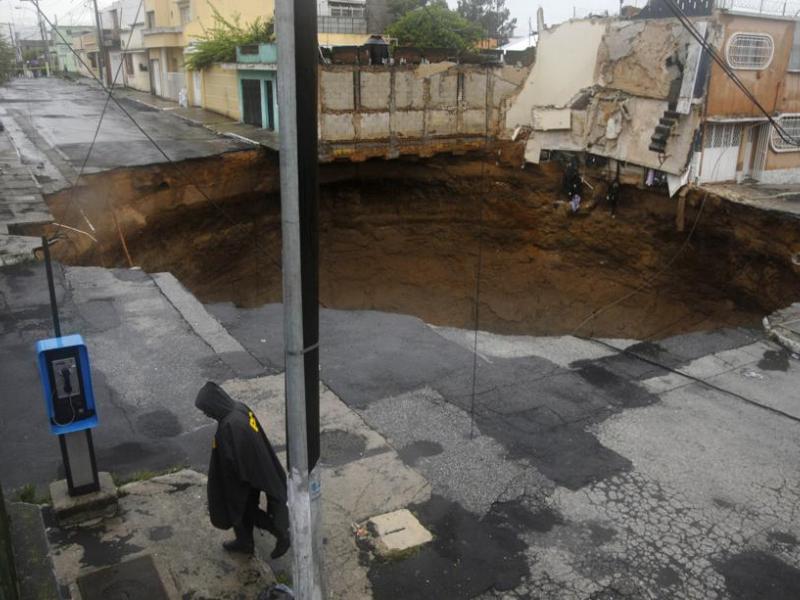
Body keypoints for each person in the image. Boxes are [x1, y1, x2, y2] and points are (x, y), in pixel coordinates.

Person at [195, 381, 291, 558]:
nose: (206, 413)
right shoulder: (239, 408)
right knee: (244, 511)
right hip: (253, 471)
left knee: (244, 510)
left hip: (244, 477)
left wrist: (228, 486)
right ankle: (245, 542)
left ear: (214, 404)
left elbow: (232, 461)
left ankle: (280, 535)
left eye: (206, 409)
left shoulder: (229, 426)